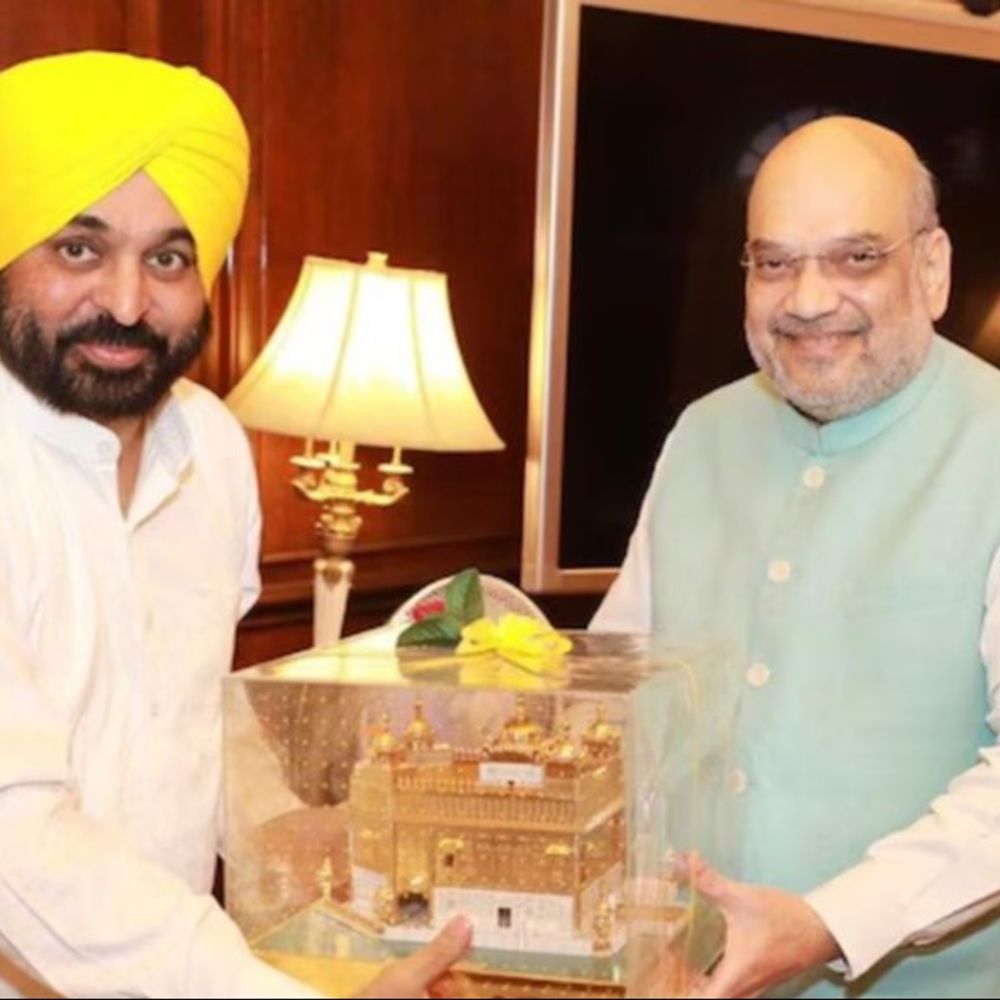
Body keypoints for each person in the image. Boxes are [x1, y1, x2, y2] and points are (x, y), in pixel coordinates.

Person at [0, 50, 469, 998]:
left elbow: (196, 730)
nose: (125, 303)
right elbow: (18, 844)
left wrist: (329, 860)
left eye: (167, 259)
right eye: (79, 249)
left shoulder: (211, 447)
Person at [594, 116, 1000, 998]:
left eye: (856, 258)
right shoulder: (701, 434)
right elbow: (623, 692)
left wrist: (829, 924)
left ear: (932, 269)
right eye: (775, 263)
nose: (808, 299)